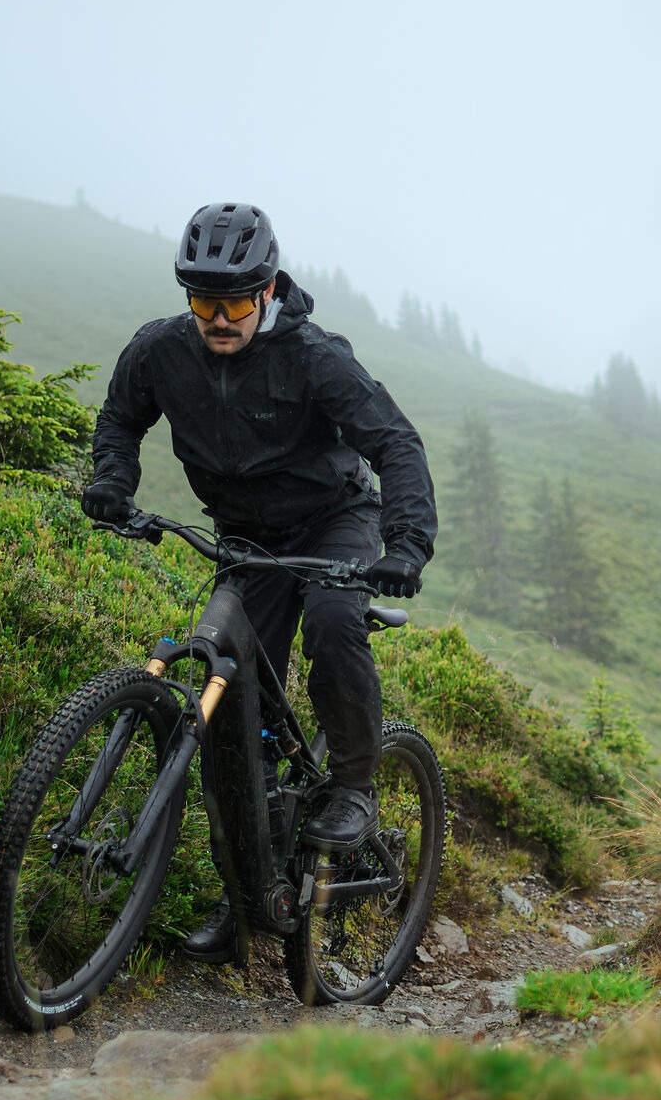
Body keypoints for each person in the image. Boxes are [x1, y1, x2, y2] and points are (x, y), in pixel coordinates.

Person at [80, 202, 437, 964]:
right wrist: (113, 479)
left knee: (335, 624)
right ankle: (246, 905)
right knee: (226, 702)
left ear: (268, 289)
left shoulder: (315, 357)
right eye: (202, 300)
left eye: (236, 301)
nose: (219, 317)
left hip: (331, 523)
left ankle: (351, 789)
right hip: (245, 538)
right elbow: (119, 419)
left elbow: (395, 444)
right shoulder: (160, 351)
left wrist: (405, 545)